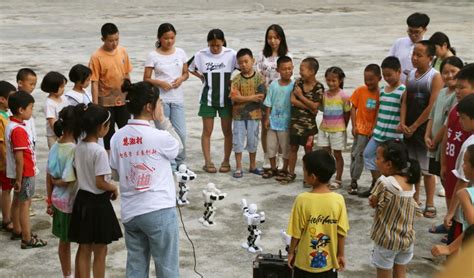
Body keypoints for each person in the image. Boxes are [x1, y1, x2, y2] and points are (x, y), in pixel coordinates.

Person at [110, 80, 182, 277]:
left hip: (131, 212)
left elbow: (115, 173)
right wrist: (163, 121)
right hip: (159, 209)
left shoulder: (117, 137)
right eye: (159, 103)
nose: (161, 107)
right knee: (167, 267)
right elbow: (178, 147)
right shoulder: (158, 136)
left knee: (136, 266)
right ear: (149, 106)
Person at [69, 103, 122, 277]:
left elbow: (77, 173)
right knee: (100, 250)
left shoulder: (78, 147)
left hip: (82, 199)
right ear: (101, 127)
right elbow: (100, 182)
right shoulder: (99, 151)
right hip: (98, 204)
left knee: (84, 248)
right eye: (108, 126)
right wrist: (113, 188)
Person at [287, 150, 349, 277]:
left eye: (304, 170)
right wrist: (341, 254)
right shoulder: (338, 200)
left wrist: (291, 252)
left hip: (304, 265)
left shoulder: (302, 199)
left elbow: (296, 233)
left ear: (313, 177)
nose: (303, 173)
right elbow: (341, 232)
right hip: (329, 264)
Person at [400, 40, 443, 217]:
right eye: (413, 54)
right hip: (409, 128)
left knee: (428, 170)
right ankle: (415, 198)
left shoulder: (435, 77)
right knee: (413, 166)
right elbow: (405, 101)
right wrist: (403, 123)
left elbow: (432, 106)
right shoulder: (410, 75)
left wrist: (415, 125)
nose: (415, 58)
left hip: (424, 129)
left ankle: (430, 202)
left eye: (419, 55)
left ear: (430, 58)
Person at [369, 140, 421, 278]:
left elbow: (373, 202)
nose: (376, 161)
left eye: (378, 158)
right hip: (406, 238)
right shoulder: (410, 180)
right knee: (400, 273)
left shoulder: (384, 182)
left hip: (387, 239)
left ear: (389, 164)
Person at [189, 28, 237, 173]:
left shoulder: (232, 54)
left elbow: (244, 68)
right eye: (212, 45)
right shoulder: (201, 55)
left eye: (218, 45)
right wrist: (201, 77)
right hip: (207, 98)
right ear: (208, 43)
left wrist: (234, 84)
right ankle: (208, 161)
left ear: (223, 42)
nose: (215, 48)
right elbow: (189, 67)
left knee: (227, 131)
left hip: (226, 99)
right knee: (207, 131)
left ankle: (226, 161)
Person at [143, 23, 189, 170]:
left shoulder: (180, 53)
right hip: (161, 100)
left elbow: (186, 73)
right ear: (159, 38)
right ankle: (170, 163)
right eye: (166, 38)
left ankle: (180, 161)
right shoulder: (153, 55)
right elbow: (147, 78)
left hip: (177, 98)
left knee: (180, 132)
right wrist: (160, 83)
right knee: (163, 133)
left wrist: (181, 79)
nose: (169, 41)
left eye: (172, 38)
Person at [360, 57, 405, 197]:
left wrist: (402, 125)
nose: (387, 78)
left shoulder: (403, 90)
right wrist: (374, 127)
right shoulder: (382, 90)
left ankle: (390, 189)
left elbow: (404, 110)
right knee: (368, 154)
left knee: (391, 164)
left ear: (399, 72)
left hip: (393, 135)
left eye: (390, 75)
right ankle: (377, 183)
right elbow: (378, 109)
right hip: (379, 132)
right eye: (385, 75)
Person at [6, 91, 47, 248]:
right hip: (25, 173)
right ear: (21, 110)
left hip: (18, 173)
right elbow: (19, 157)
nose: (32, 111)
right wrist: (18, 178)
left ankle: (17, 229)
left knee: (17, 200)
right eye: (31, 107)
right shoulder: (19, 130)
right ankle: (27, 237)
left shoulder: (12, 125)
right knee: (25, 204)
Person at [46, 106, 81, 278]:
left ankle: (65, 273)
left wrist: (49, 199)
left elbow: (48, 175)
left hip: (57, 200)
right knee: (76, 242)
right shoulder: (74, 149)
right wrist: (57, 181)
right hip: (70, 203)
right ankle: (70, 274)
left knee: (63, 242)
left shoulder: (55, 146)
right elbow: (70, 179)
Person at [424, 56, 463, 203]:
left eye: (453, 71)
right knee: (442, 178)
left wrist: (434, 140)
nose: (449, 75)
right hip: (434, 146)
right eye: (445, 72)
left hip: (445, 145)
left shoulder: (457, 96)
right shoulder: (442, 92)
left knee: (449, 178)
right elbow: (432, 116)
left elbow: (447, 124)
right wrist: (427, 136)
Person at [89, 22, 133, 151]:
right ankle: (110, 160)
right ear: (103, 39)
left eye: (116, 40)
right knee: (108, 132)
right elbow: (94, 81)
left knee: (126, 129)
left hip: (122, 99)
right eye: (110, 41)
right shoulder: (96, 56)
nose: (114, 43)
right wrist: (95, 105)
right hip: (106, 101)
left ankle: (127, 155)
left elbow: (126, 74)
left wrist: (130, 93)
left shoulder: (122, 51)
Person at [256, 24, 291, 169]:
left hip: (282, 97)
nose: (273, 41)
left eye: (276, 38)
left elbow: (289, 75)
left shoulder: (287, 55)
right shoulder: (262, 55)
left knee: (282, 128)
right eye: (270, 38)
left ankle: (282, 157)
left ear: (281, 39)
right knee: (266, 127)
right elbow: (258, 73)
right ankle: (267, 156)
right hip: (265, 96)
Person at [432, 145, 474, 257]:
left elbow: (473, 228)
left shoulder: (466, 194)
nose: (462, 166)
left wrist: (450, 248)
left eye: (465, 162)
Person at [230, 48, 266, 178]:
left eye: (246, 61)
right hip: (238, 116)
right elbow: (234, 97)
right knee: (238, 141)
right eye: (241, 63)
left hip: (254, 115)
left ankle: (252, 165)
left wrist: (242, 98)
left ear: (253, 61)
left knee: (253, 140)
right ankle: (238, 167)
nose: (244, 65)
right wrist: (251, 98)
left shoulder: (259, 78)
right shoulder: (236, 79)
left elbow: (261, 96)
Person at [444, 90, 474, 244]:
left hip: (465, 213)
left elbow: (462, 180)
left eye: (462, 118)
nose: (460, 122)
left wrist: (450, 213)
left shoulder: (470, 145)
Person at [348, 64, 381, 194]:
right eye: (365, 79)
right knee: (356, 154)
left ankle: (374, 181)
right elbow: (353, 107)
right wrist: (354, 125)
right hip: (360, 131)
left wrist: (374, 127)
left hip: (372, 132)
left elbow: (379, 111)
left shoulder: (381, 93)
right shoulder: (360, 91)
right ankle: (354, 179)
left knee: (370, 156)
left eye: (371, 79)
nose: (368, 82)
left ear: (379, 78)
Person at [262, 56, 294, 180]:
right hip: (273, 121)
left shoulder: (294, 85)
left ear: (293, 69)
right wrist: (267, 118)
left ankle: (284, 168)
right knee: (271, 146)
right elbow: (268, 102)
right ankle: (273, 168)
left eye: (289, 68)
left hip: (286, 123)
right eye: (284, 69)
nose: (287, 71)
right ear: (278, 70)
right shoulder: (274, 85)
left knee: (285, 147)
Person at [318, 66, 350, 189]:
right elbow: (321, 108)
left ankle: (338, 179)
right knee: (326, 155)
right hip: (324, 129)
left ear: (340, 81)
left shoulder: (344, 96)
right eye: (328, 80)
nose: (331, 83)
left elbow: (347, 113)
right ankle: (327, 177)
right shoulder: (324, 95)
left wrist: (343, 127)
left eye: (334, 81)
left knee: (337, 155)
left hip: (337, 130)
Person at [388, 12, 430, 83]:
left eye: (417, 32)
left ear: (425, 30)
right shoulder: (399, 43)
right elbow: (389, 63)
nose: (413, 35)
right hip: (399, 87)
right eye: (410, 31)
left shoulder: (429, 46)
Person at [0, 81, 16, 233]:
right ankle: (6, 219)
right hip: (3, 163)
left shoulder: (5, 115)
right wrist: (6, 162)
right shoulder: (1, 118)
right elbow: (1, 144)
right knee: (6, 190)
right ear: (2, 99)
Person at [41, 71, 68, 148]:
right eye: (61, 87)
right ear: (53, 87)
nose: (63, 89)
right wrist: (60, 136)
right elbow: (52, 123)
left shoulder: (64, 98)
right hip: (54, 136)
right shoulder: (49, 103)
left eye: (64, 86)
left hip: (65, 133)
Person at [16, 68, 38, 147]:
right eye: (31, 84)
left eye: (34, 85)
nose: (33, 87)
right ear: (20, 83)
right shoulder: (14, 100)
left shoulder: (29, 98)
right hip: (21, 138)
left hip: (31, 138)